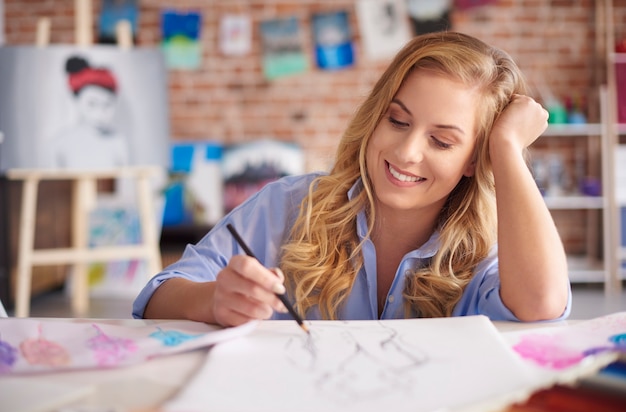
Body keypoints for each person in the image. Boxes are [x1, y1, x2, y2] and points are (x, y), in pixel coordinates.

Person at [134, 31, 571, 325]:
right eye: (398, 121)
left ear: (475, 159)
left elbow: (542, 305)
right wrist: (213, 300)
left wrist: (508, 149)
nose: (406, 152)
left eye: (441, 141)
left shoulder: (491, 247)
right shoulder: (286, 205)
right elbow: (157, 297)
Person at [45, 56, 129, 169]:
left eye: (107, 104)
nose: (100, 112)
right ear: (76, 102)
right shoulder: (59, 143)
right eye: (92, 104)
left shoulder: (117, 141)